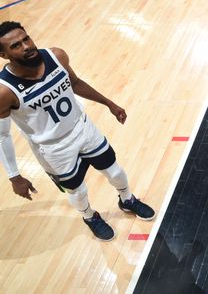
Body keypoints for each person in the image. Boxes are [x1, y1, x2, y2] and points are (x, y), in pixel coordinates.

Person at [0, 21, 155, 241]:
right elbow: (2, 136)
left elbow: (75, 83)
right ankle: (89, 216)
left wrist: (109, 103)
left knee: (115, 172)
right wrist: (14, 176)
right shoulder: (5, 91)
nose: (26, 46)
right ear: (3, 54)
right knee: (78, 191)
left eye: (26, 39)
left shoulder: (56, 56)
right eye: (16, 45)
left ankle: (127, 199)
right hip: (54, 148)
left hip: (83, 128)